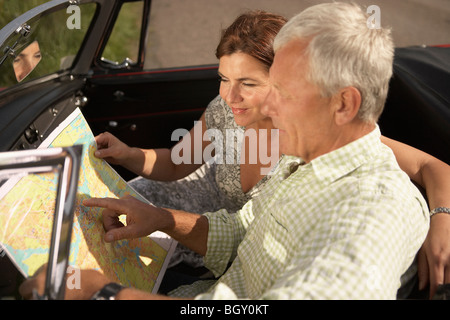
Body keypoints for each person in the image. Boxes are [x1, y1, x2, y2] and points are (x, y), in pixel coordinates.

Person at [20, 2, 445, 300]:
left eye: (279, 91)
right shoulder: (305, 161)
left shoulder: (372, 212)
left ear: (344, 105)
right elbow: (240, 231)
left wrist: (103, 293)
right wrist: (162, 220)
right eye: (225, 80)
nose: (261, 106)